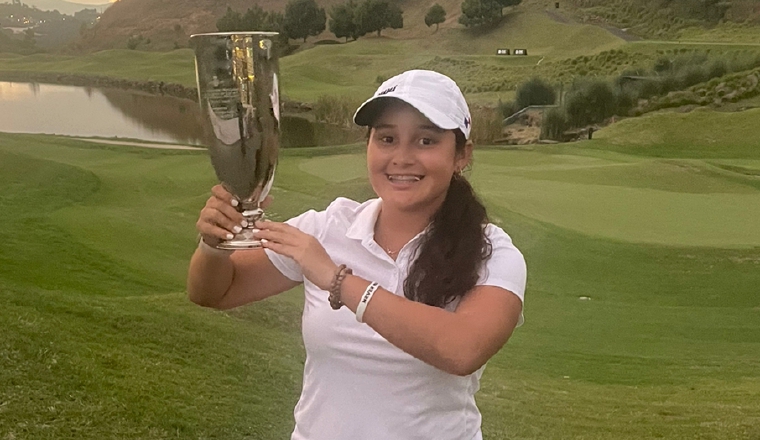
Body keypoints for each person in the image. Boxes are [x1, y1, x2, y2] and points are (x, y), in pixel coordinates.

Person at [187, 69, 527, 440]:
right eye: (386, 138)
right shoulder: (327, 227)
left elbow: (462, 349)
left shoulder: (491, 252)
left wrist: (337, 280)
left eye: (426, 141)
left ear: (462, 155)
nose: (401, 157)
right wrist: (214, 243)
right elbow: (215, 292)